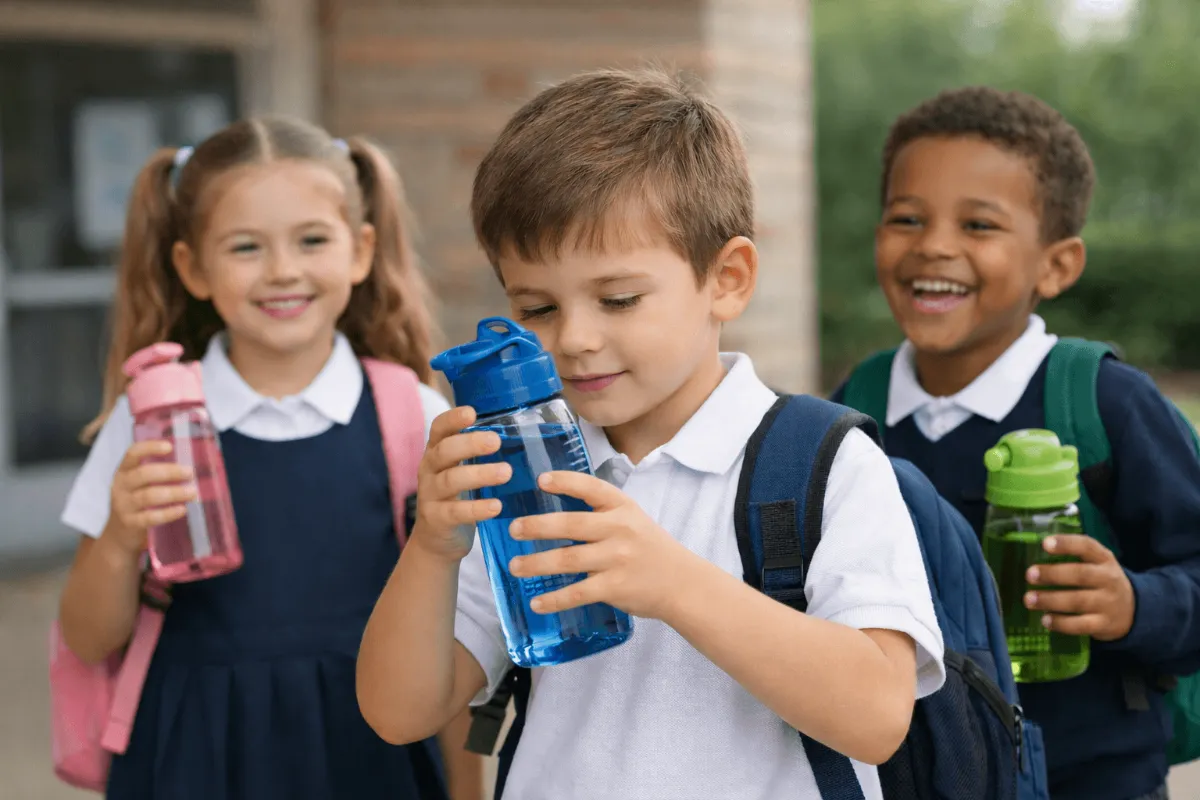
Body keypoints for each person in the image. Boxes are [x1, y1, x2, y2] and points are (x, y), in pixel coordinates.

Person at [357, 68, 945, 800]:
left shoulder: (821, 463)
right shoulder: (524, 480)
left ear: (727, 278)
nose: (573, 338)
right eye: (536, 307)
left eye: (618, 298)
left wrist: (674, 584)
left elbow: (878, 715)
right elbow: (399, 711)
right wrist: (432, 547)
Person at [57, 116, 479, 800]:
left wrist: (465, 789)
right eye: (246, 247)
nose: (282, 270)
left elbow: (457, 639)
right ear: (192, 268)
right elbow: (87, 636)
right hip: (191, 755)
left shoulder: (415, 415)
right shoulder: (151, 422)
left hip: (370, 758)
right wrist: (118, 540)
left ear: (360, 251)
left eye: (311, 240)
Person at [833, 86, 1200, 800]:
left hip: (1094, 777)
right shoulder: (855, 409)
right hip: (919, 775)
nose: (934, 244)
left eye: (978, 225)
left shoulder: (1104, 403)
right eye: (907, 217)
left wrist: (1134, 603)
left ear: (1055, 266)